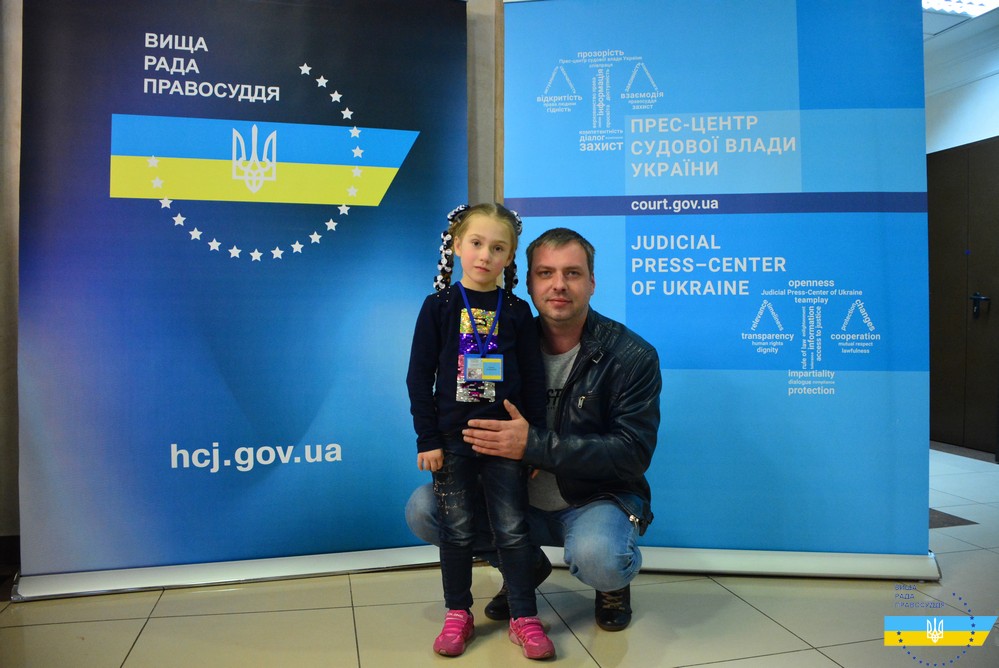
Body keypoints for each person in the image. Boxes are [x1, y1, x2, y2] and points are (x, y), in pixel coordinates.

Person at [406, 226, 662, 632]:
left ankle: (611, 585)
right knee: (426, 508)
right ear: (528, 282)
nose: (559, 285)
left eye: (573, 273)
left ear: (592, 282)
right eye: (546, 273)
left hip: (592, 499)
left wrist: (534, 444)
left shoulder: (632, 356)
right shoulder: (502, 334)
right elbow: (431, 382)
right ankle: (525, 566)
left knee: (601, 559)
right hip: (514, 494)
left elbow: (632, 452)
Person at [406, 203, 555, 659]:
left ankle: (524, 616)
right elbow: (419, 377)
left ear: (510, 257)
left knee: (512, 528)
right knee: (456, 530)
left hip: (505, 441)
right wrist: (428, 439)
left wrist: (533, 444)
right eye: (476, 243)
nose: (485, 255)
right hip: (453, 442)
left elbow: (533, 381)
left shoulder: (517, 311)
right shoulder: (438, 307)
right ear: (456, 245)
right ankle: (458, 612)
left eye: (498, 248)